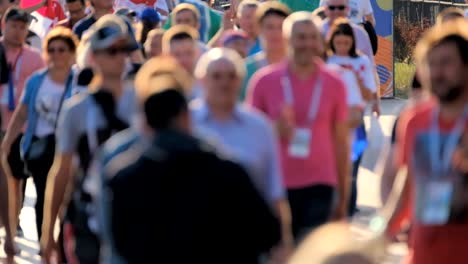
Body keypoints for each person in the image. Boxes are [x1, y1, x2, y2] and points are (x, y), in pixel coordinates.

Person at [107, 61, 281, 264]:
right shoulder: (227, 171)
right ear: (186, 118)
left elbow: (119, 245)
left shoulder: (124, 178)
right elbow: (268, 233)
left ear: (146, 123)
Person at [40, 14, 137, 263]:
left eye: (124, 49)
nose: (120, 57)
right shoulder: (77, 110)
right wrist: (48, 230)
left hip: (136, 216)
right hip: (88, 216)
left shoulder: (144, 104)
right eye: (112, 51)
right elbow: (62, 171)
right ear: (93, 56)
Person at [247, 11, 350, 241]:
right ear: (287, 40)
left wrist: (343, 198)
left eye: (312, 37)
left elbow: (341, 143)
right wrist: (275, 131)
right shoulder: (264, 81)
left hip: (321, 185)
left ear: (320, 41)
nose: (306, 43)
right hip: (276, 186)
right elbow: (251, 142)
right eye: (300, 37)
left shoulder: (335, 84)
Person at [192, 47, 293, 256]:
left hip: (246, 243)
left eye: (231, 76)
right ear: (202, 80)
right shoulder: (186, 123)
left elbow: (274, 190)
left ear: (240, 81)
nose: (224, 82)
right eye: (216, 76)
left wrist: (283, 246)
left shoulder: (259, 127)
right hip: (194, 241)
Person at [387, 19, 468, 264]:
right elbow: (408, 182)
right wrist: (383, 228)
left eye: (445, 63)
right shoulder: (414, 120)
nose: (436, 73)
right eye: (430, 64)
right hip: (423, 254)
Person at [1, 26, 77, 249]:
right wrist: (7, 143)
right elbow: (22, 112)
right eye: (51, 50)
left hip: (70, 150)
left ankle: (63, 246)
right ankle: (46, 244)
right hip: (42, 147)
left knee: (68, 200)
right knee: (44, 195)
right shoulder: (37, 81)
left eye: (62, 49)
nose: (56, 54)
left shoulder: (79, 80)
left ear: (72, 52)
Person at [0, 6, 44, 242]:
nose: (17, 31)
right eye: (13, 26)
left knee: (16, 177)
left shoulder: (34, 58)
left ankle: (13, 221)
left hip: (22, 126)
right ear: (4, 24)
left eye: (22, 27)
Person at [326, 18, 376, 215]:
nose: (342, 47)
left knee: (353, 166)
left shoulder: (361, 62)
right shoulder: (326, 62)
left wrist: (354, 79)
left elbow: (368, 94)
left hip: (355, 120)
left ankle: (350, 205)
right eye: (338, 43)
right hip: (331, 121)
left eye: (346, 43)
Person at [241, 1, 291, 101]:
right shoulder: (246, 69)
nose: (276, 32)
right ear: (259, 29)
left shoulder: (301, 67)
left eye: (281, 27)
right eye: (270, 27)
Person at [162, 25, 200, 99]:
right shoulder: (158, 89)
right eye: (177, 55)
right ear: (166, 56)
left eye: (189, 53)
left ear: (197, 53)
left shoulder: (210, 87)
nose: (184, 59)